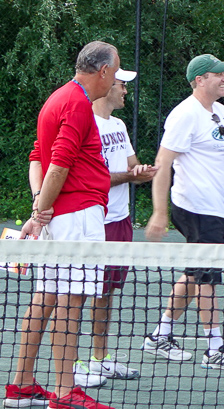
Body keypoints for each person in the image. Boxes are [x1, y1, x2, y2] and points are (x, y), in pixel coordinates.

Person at [4, 40, 119, 409]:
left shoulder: (58, 98)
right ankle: (65, 392)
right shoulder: (77, 105)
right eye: (115, 73)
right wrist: (39, 214)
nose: (116, 79)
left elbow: (38, 156)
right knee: (71, 301)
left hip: (64, 217)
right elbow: (57, 164)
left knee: (48, 297)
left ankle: (21, 384)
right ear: (102, 72)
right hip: (77, 218)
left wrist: (40, 206)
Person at [143, 54, 224, 371]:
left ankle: (160, 335)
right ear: (200, 80)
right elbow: (162, 164)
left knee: (195, 272)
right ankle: (214, 348)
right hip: (192, 207)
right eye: (219, 74)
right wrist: (159, 212)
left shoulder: (221, 112)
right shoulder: (184, 115)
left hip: (215, 208)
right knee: (207, 275)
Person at [73, 67, 157, 382]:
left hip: (120, 221)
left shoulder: (119, 125)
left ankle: (100, 358)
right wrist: (130, 175)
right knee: (78, 293)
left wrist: (143, 171)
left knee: (106, 292)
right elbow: (96, 178)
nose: (125, 91)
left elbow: (130, 164)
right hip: (93, 222)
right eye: (122, 85)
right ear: (107, 84)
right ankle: (73, 363)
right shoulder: (85, 122)